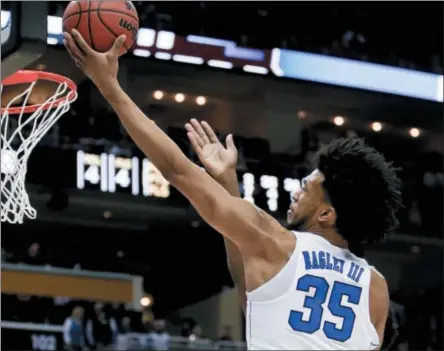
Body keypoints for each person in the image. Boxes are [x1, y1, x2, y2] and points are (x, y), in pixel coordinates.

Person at [63, 31, 402, 350]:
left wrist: (109, 87)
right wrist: (227, 183)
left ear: (327, 213)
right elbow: (257, 300)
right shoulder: (376, 286)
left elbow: (177, 169)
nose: (296, 193)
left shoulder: (275, 241)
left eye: (307, 189)